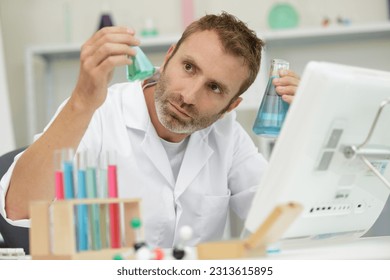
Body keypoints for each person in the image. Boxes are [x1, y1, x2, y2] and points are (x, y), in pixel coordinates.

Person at [0, 12, 299, 247]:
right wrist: (81, 101)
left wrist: (307, 131)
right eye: (189, 67)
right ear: (168, 57)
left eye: (215, 87)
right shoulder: (99, 113)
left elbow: (281, 221)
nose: (189, 95)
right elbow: (18, 210)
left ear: (230, 107)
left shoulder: (228, 134)